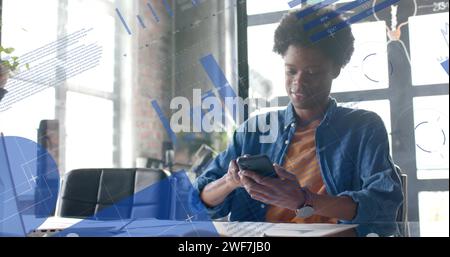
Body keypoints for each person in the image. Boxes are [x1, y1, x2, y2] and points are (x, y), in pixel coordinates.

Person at [194, 5, 403, 226]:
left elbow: (384, 205)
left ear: (336, 69)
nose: (298, 82)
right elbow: (198, 203)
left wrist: (306, 200)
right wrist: (229, 181)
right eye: (291, 71)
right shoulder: (254, 131)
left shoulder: (363, 129)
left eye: (312, 73)